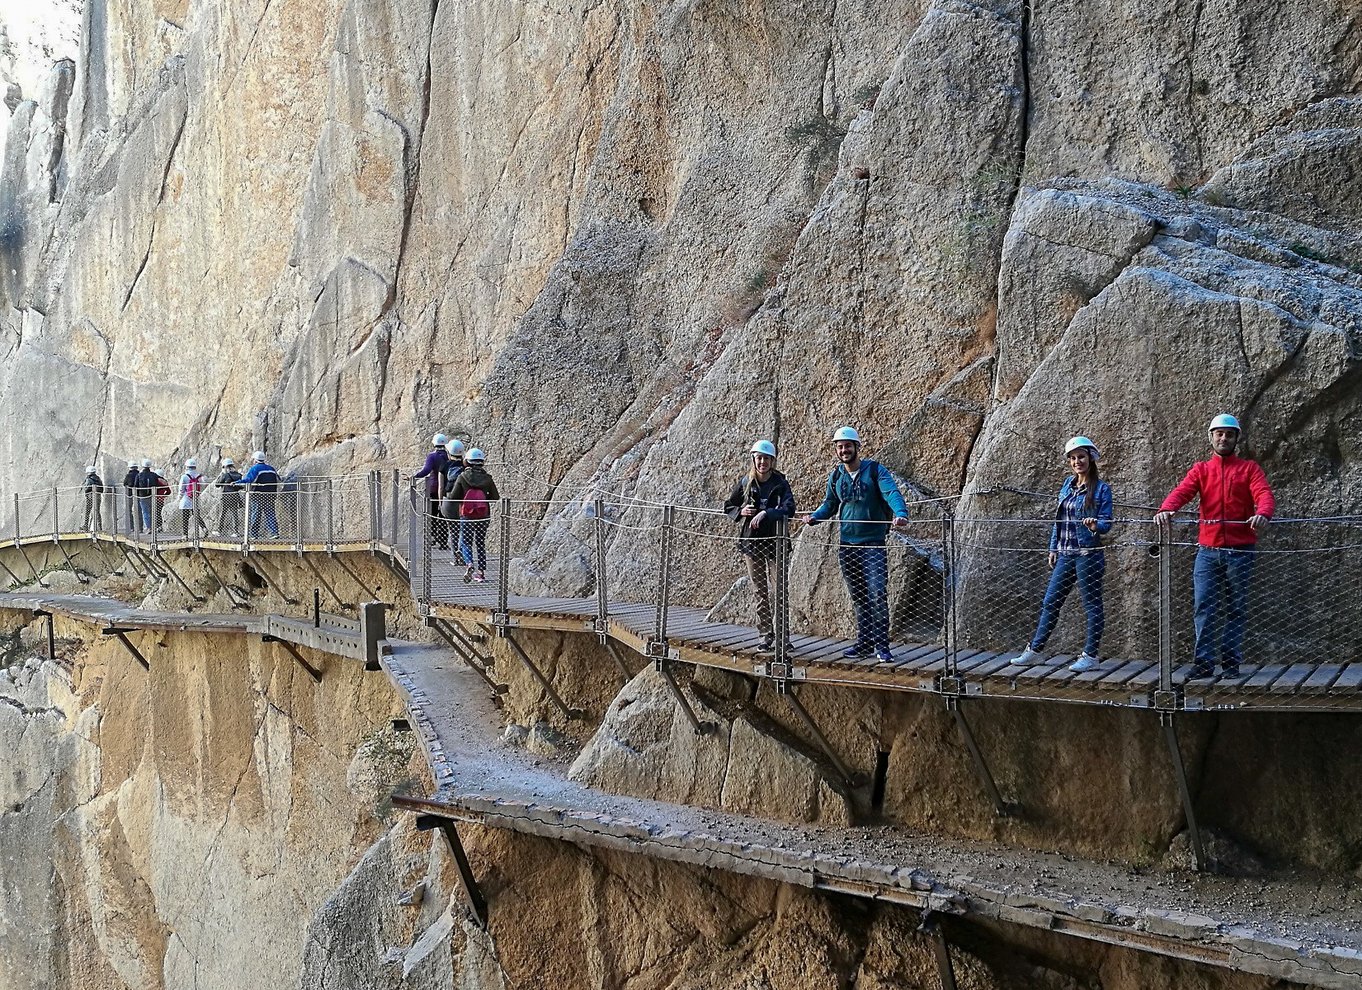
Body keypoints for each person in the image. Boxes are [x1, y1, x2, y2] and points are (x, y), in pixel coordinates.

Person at [1155, 414, 1275, 678]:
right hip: (1207, 551)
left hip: (1240, 550)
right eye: (1219, 434)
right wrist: (1167, 509)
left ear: (1236, 439)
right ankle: (1204, 663)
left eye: (1229, 434)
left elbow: (1263, 493)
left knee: (1236, 607)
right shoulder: (1201, 469)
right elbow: (1183, 491)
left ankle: (1231, 663)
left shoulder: (1249, 469)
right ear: (1211, 437)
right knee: (1204, 607)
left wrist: (1263, 513)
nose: (1224, 438)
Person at [799, 427, 909, 663]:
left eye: (848, 445)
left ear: (857, 447)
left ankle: (882, 645)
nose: (844, 450)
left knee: (877, 592)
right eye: (839, 446)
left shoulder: (875, 470)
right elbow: (829, 504)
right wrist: (815, 517)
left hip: (872, 543)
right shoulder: (837, 476)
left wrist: (900, 513)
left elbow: (891, 492)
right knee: (859, 595)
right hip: (847, 544)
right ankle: (865, 643)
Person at [1011, 437, 1114, 672]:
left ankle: (1091, 656)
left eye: (1081, 457)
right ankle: (1035, 651)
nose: (1077, 462)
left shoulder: (1101, 489)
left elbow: (1107, 523)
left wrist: (1095, 525)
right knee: (1051, 601)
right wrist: (1053, 548)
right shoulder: (1068, 485)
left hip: (1088, 554)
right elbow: (1059, 521)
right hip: (1066, 553)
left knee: (1092, 605)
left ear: (1090, 458)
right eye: (1073, 458)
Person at [723, 440, 795, 653]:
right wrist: (741, 512)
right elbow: (729, 505)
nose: (762, 462)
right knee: (760, 590)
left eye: (766, 458)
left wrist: (767, 513)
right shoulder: (746, 482)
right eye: (759, 458)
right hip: (752, 542)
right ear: (754, 459)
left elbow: (789, 508)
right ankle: (766, 635)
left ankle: (783, 636)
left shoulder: (780, 483)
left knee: (780, 590)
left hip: (776, 541)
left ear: (772, 461)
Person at [445, 448, 499, 582]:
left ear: (467, 462)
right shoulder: (487, 478)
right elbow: (495, 497)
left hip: (466, 514)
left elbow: (453, 497)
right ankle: (481, 573)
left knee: (465, 542)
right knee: (480, 543)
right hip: (483, 514)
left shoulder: (462, 477)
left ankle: (469, 563)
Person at [413, 433, 451, 550]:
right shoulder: (449, 456)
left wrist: (414, 476)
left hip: (433, 488)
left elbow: (426, 470)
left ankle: (432, 537)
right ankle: (443, 541)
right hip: (447, 489)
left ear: (434, 444)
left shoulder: (432, 456)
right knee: (444, 515)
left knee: (431, 514)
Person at [241, 451, 281, 539]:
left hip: (257, 495)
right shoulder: (271, 469)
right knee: (270, 514)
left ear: (255, 460)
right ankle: (274, 532)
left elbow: (248, 480)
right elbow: (278, 479)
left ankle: (254, 534)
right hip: (270, 495)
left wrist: (237, 482)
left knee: (255, 515)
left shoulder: (255, 468)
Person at [215, 458, 244, 536]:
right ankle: (236, 531)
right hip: (235, 496)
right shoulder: (238, 475)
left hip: (226, 496)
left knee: (223, 514)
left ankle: (219, 530)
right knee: (234, 514)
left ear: (224, 466)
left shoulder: (225, 475)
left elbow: (217, 484)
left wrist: (221, 474)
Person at [178, 459, 206, 537]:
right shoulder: (199, 476)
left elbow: (181, 489)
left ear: (187, 467)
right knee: (196, 515)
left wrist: (179, 497)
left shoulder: (184, 476)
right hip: (196, 498)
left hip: (186, 498)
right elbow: (203, 484)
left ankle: (185, 534)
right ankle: (204, 528)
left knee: (185, 517)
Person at [135, 459, 159, 535]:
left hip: (143, 496)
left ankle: (149, 528)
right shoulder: (154, 475)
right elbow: (157, 484)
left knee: (145, 512)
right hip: (152, 495)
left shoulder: (139, 475)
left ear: (143, 466)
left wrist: (137, 495)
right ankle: (154, 527)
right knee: (152, 511)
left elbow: (135, 486)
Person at [81, 465, 105, 531]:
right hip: (98, 496)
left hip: (90, 496)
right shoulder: (98, 479)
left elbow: (87, 488)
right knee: (97, 511)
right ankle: (100, 527)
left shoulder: (89, 479)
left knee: (88, 511)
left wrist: (86, 493)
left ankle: (86, 525)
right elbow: (102, 488)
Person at [122, 461, 140, 532]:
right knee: (138, 511)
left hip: (129, 494)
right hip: (138, 494)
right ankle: (139, 527)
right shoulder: (139, 474)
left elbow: (124, 484)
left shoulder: (128, 476)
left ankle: (131, 527)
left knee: (129, 510)